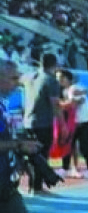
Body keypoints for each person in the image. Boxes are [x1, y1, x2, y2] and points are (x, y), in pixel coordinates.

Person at [0, 60, 81, 213]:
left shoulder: (3, 105)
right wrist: (18, 145)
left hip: (4, 182)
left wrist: (18, 157)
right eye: (13, 78)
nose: (18, 84)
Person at [21, 53, 66, 194]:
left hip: (28, 121)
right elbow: (55, 104)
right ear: (55, 65)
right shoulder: (51, 81)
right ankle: (37, 187)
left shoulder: (30, 77)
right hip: (43, 122)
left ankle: (33, 185)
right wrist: (62, 124)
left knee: (33, 155)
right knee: (41, 155)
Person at [56, 70, 88, 178]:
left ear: (68, 79)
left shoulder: (74, 88)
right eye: (58, 78)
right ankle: (65, 168)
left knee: (84, 147)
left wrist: (59, 104)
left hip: (85, 122)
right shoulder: (64, 91)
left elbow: (76, 103)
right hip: (73, 123)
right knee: (67, 145)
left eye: (61, 78)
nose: (59, 80)